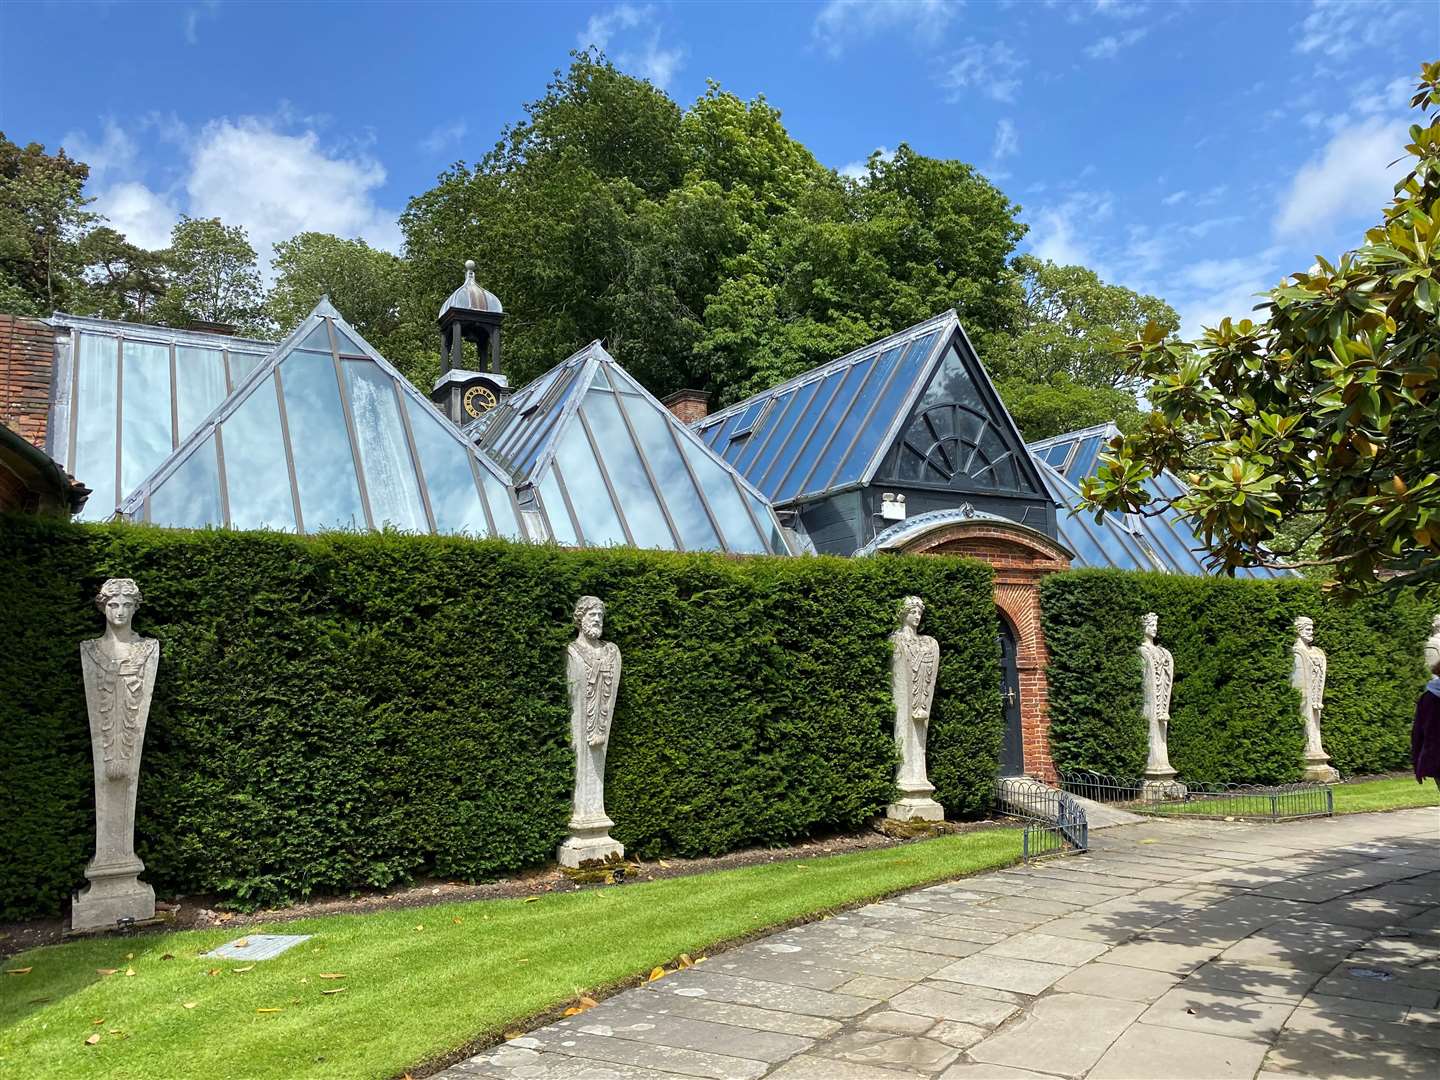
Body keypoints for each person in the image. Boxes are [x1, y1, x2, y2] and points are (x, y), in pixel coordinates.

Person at [1414, 658, 1440, 789]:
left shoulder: (1428, 698)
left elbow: (1418, 734)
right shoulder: (1428, 699)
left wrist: (1417, 764)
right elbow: (1419, 734)